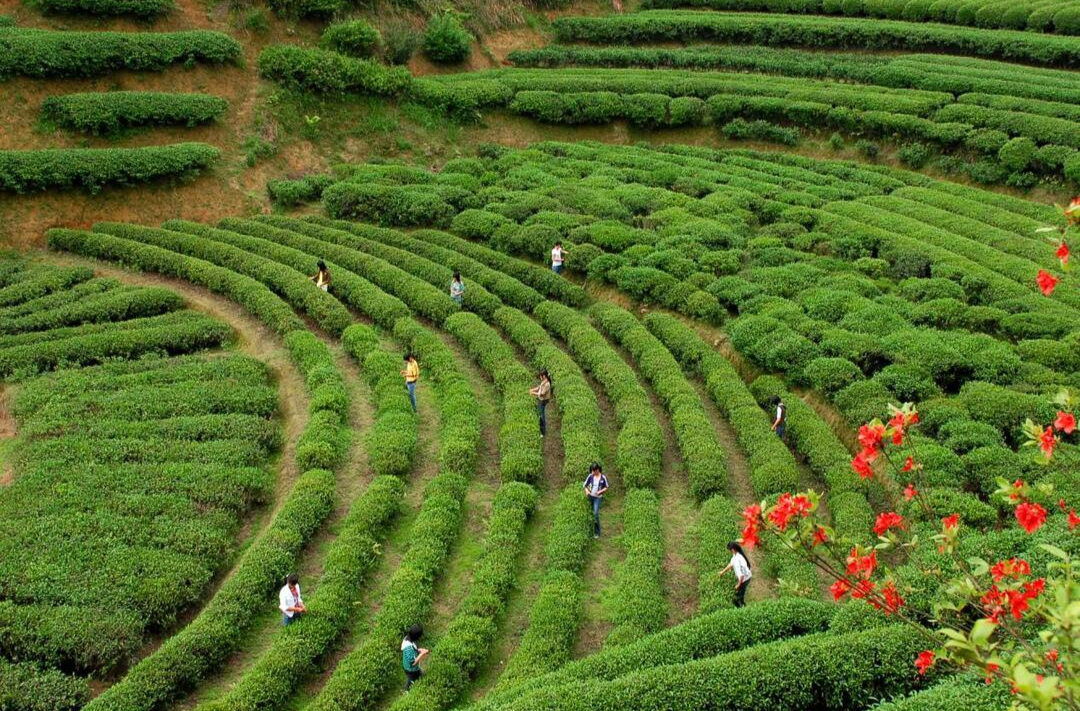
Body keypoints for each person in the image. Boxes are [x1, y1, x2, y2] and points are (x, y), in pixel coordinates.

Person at [719, 541, 752, 608]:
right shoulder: (736, 555)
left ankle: (741, 609)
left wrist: (738, 585)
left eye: (729, 550)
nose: (729, 551)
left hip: (745, 579)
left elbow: (741, 576)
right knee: (740, 594)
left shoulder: (737, 559)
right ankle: (742, 603)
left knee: (737, 597)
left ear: (733, 549)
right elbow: (731, 564)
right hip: (746, 577)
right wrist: (723, 572)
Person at [582, 462, 609, 538]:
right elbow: (584, 485)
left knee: (595, 513)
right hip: (590, 497)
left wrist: (600, 491)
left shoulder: (603, 477)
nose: (592, 472)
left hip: (598, 498)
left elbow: (606, 487)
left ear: (597, 470)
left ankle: (597, 532)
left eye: (593, 471)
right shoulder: (590, 476)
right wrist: (586, 491)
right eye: (592, 471)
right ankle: (589, 530)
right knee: (589, 513)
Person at [401, 624, 429, 691]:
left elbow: (413, 648)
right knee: (410, 679)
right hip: (410, 669)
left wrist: (418, 650)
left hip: (412, 667)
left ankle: (420, 675)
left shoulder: (408, 638)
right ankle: (406, 690)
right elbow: (413, 663)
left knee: (418, 672)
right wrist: (422, 653)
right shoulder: (408, 648)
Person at [529, 370, 552, 437]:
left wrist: (533, 393)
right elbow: (539, 387)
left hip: (543, 400)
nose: (540, 377)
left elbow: (542, 394)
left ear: (544, 376)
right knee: (539, 414)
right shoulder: (544, 381)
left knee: (541, 416)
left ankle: (543, 432)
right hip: (540, 400)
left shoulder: (547, 384)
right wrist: (532, 390)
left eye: (541, 376)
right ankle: (540, 429)